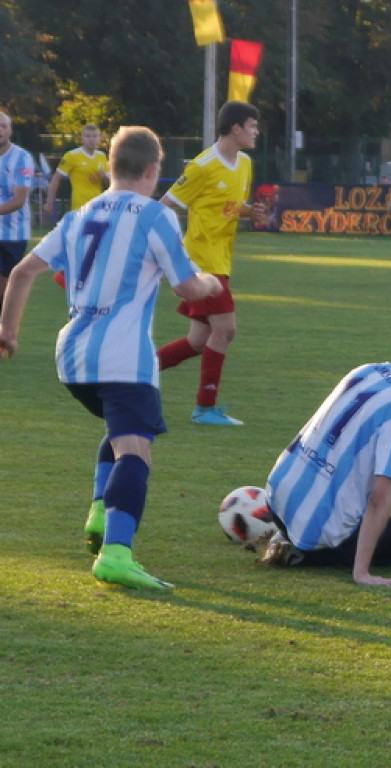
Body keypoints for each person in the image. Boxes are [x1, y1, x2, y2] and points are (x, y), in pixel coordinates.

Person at [0, 126, 224, 589]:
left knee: (122, 432)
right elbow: (186, 285)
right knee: (136, 452)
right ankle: (116, 553)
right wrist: (211, 283)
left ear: (110, 167)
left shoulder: (79, 215)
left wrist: (8, 334)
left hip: (73, 357)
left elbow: (22, 273)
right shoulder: (154, 216)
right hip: (122, 356)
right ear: (152, 169)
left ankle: (101, 514)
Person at [259, 312, 391, 587]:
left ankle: (288, 536)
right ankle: (302, 554)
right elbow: (380, 498)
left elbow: (350, 420)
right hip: (317, 526)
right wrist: (363, 574)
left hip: (277, 498)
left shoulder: (366, 371)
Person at [156, 101, 265, 426]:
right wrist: (169, 252)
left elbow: (227, 205)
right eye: (253, 126)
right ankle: (205, 407)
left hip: (221, 261)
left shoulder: (244, 164)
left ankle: (133, 370)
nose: (256, 132)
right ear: (236, 128)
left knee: (198, 341)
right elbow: (165, 206)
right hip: (201, 263)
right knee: (226, 329)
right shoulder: (202, 166)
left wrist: (249, 211)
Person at [44, 124, 111, 290]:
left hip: (100, 209)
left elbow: (112, 183)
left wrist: (105, 177)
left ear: (100, 139)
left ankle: (73, 277)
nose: (92, 139)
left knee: (97, 246)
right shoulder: (72, 156)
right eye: (88, 136)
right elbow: (56, 179)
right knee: (82, 245)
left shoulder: (102, 157)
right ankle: (67, 276)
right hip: (79, 209)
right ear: (82, 138)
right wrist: (49, 201)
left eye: (95, 136)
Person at [0, 111, 36, 315]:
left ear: (10, 130)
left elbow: (19, 200)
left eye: (3, 126)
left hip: (13, 235)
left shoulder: (21, 158)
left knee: (5, 290)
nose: (0, 130)